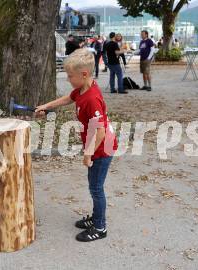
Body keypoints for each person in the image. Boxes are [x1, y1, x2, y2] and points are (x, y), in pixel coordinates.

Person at [35, 48, 117, 242]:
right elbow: (68, 98)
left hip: (102, 148)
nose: (68, 79)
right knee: (93, 186)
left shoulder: (92, 99)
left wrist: (88, 154)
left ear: (84, 74)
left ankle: (100, 226)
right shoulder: (83, 89)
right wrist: (46, 106)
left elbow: (100, 133)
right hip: (96, 145)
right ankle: (96, 218)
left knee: (96, 188)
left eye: (70, 76)